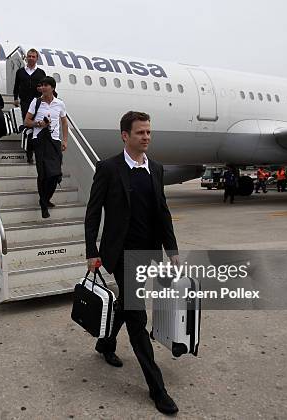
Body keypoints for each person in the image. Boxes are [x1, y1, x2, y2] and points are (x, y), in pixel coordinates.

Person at [84, 111, 180, 416]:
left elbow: (162, 211)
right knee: (138, 319)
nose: (147, 138)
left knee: (127, 304)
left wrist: (172, 249)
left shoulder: (157, 168)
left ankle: (106, 342)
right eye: (140, 133)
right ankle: (157, 389)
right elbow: (93, 212)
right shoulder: (109, 168)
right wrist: (92, 251)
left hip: (147, 253)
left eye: (149, 132)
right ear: (125, 136)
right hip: (122, 254)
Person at [24, 76, 68, 218]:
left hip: (54, 141)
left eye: (45, 85)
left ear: (52, 88)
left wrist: (65, 140)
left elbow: (64, 123)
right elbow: (26, 121)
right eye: (41, 85)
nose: (42, 88)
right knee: (42, 174)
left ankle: (46, 198)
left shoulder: (59, 104)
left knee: (55, 174)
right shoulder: (36, 102)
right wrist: (38, 124)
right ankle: (44, 205)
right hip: (40, 140)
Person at [13, 49, 47, 164]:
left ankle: (36, 151)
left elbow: (45, 87)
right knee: (28, 127)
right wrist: (15, 98)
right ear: (26, 58)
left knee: (36, 128)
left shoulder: (41, 73)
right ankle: (28, 154)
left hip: (37, 103)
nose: (31, 58)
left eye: (33, 56)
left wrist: (41, 90)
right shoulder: (20, 72)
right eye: (29, 56)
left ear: (37, 59)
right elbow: (16, 86)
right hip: (25, 103)